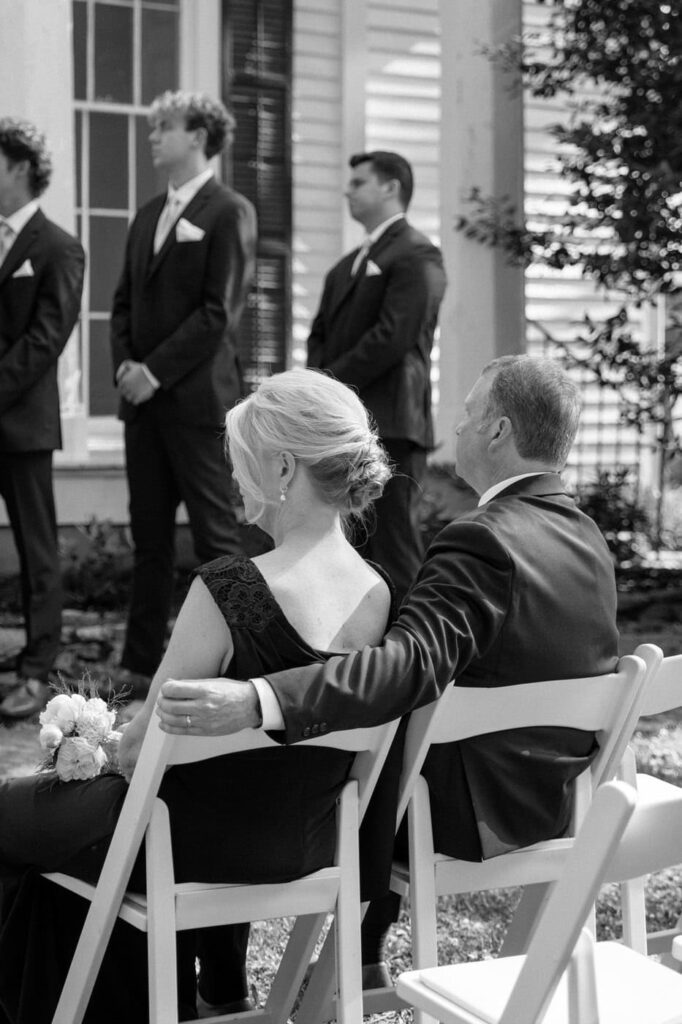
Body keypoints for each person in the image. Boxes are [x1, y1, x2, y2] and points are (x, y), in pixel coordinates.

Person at [162, 355, 620, 978]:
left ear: (498, 432)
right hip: (558, 796)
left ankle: (325, 961)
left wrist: (260, 699)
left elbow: (405, 666)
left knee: (331, 753)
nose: (453, 431)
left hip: (458, 812)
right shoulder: (586, 535)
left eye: (466, 416)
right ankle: (339, 961)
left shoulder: (482, 539)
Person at [0, 368, 397, 1023]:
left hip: (178, 848)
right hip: (305, 845)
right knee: (55, 875)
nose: (231, 476)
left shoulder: (232, 587)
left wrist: (93, 740)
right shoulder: (378, 592)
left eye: (239, 459)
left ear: (282, 469)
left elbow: (137, 750)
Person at [110, 89, 257, 696]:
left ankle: (245, 655)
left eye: (163, 126)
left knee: (216, 536)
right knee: (148, 539)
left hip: (196, 403)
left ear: (198, 136)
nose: (152, 135)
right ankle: (139, 660)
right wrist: (125, 367)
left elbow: (217, 313)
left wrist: (155, 372)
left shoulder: (229, 210)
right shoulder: (147, 213)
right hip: (142, 407)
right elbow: (121, 303)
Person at [307, 150, 447, 604]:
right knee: (350, 548)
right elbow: (320, 334)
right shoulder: (344, 266)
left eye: (359, 182)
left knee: (395, 547)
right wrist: (316, 387)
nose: (348, 190)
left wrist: (329, 384)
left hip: (392, 424)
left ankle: (415, 654)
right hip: (345, 428)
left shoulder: (417, 253)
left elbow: (393, 336)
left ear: (390, 188)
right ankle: (362, 654)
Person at [0, 119, 85, 719]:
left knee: (37, 550)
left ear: (20, 168)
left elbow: (46, 338)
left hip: (23, 424)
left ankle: (40, 667)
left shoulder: (58, 247)